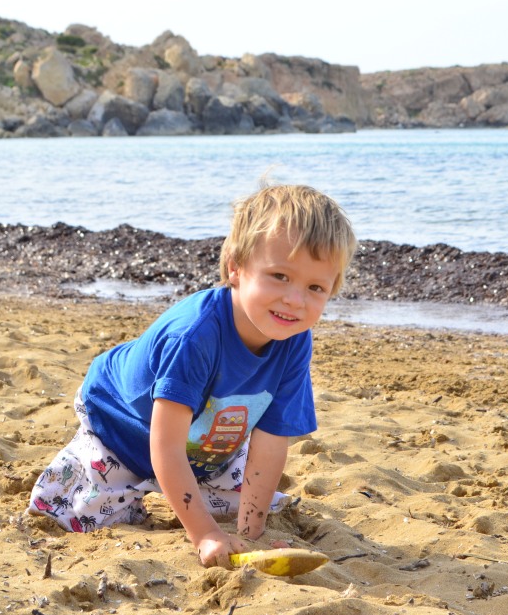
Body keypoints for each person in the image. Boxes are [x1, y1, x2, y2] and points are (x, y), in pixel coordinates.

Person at [26, 183, 356, 568]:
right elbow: (165, 446)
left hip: (204, 445)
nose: (295, 300)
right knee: (77, 515)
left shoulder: (294, 341)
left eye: (315, 287)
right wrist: (205, 535)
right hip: (120, 427)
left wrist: (251, 533)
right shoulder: (194, 336)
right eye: (280, 276)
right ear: (235, 267)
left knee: (262, 503)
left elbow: (269, 443)